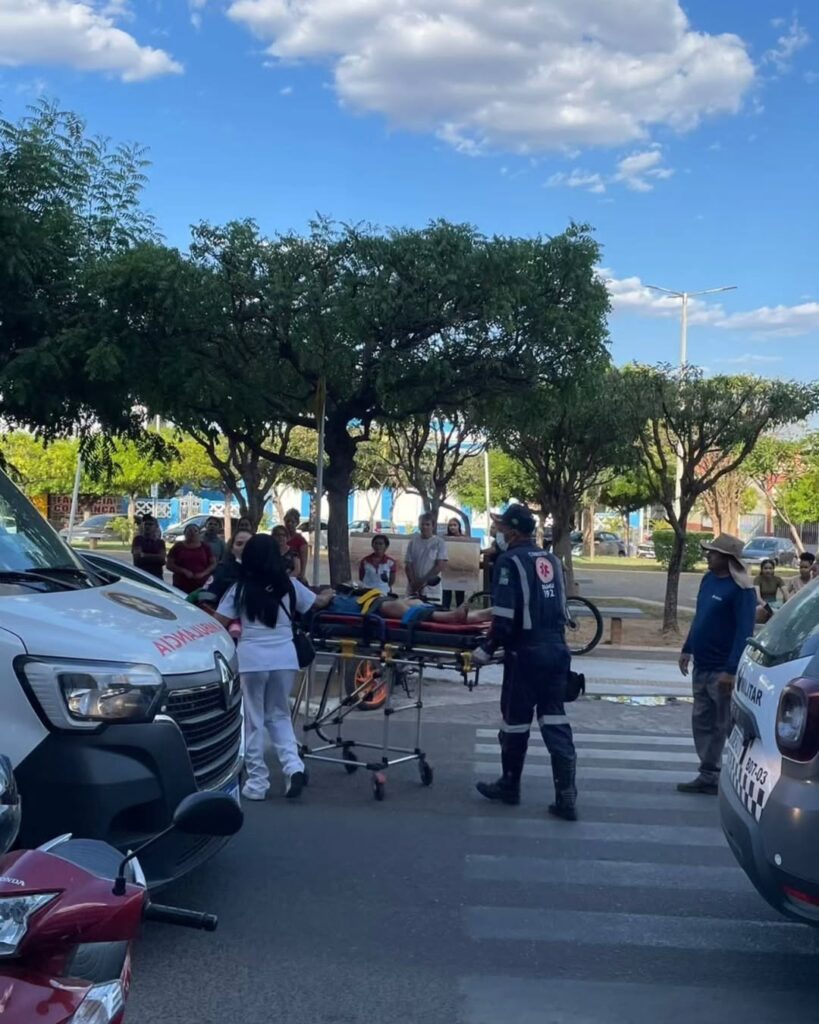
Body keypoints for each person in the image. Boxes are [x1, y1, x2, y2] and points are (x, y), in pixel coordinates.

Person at [473, 505, 578, 821]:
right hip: (557, 651)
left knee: (515, 722)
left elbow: (505, 616)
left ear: (513, 531)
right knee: (554, 719)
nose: (498, 532)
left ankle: (510, 785)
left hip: (525, 655)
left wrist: (487, 648)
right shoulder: (552, 561)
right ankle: (566, 794)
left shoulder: (509, 561)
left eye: (502, 527)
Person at [214, 534, 335, 801]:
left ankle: (257, 783)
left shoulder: (239, 589)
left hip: (251, 659)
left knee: (253, 720)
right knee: (280, 715)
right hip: (284, 658)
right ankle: (293, 767)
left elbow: (218, 621)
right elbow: (316, 603)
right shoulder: (289, 585)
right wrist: (328, 593)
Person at [677, 534, 757, 795]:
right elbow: (700, 617)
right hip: (701, 664)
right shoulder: (708, 579)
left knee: (724, 723)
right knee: (701, 720)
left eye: (713, 553)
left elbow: (744, 632)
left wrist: (731, 671)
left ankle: (731, 773)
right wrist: (687, 647)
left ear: (727, 558)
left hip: (722, 670)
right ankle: (709, 772)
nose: (708, 556)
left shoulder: (742, 590)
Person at [406, 513, 447, 603]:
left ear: (433, 526)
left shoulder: (439, 542)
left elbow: (439, 565)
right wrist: (413, 583)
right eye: (422, 524)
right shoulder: (413, 542)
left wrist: (423, 582)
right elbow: (408, 564)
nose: (424, 527)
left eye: (427, 524)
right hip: (413, 587)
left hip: (431, 588)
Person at [166, 524, 218, 595]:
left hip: (201, 584)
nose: (192, 533)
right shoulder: (178, 546)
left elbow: (213, 563)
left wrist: (203, 573)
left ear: (199, 534)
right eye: (190, 531)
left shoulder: (205, 547)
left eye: (195, 531)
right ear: (185, 533)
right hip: (181, 584)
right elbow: (169, 565)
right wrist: (183, 571)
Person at [207, 529, 253, 603]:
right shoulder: (222, 570)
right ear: (232, 549)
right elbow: (206, 600)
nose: (244, 547)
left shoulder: (261, 571)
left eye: (249, 543)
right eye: (239, 544)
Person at [131, 515, 166, 579]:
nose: (147, 526)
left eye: (150, 524)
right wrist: (157, 557)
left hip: (157, 577)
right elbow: (137, 560)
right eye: (146, 524)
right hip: (141, 576)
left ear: (156, 527)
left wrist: (144, 555)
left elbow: (162, 560)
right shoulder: (138, 540)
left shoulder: (160, 542)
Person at [442, 518, 466, 610]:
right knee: (446, 592)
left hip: (460, 569)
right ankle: (445, 611)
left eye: (454, 525)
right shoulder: (444, 538)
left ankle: (460, 612)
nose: (452, 527)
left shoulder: (465, 538)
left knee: (460, 593)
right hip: (447, 569)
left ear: (459, 526)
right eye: (450, 525)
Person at [283, 508, 309, 583]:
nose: (289, 524)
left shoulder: (301, 541)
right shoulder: (279, 538)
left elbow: (303, 562)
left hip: (294, 576)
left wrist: (302, 575)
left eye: (292, 522)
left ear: (297, 523)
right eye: (288, 521)